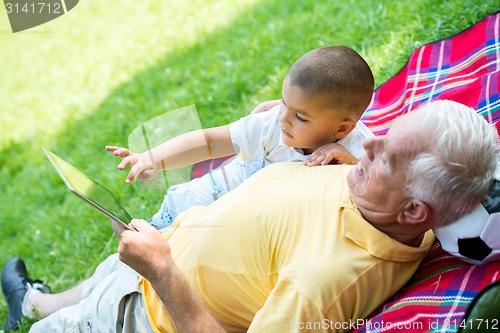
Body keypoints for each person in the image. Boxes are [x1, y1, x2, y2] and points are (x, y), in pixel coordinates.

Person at [2, 100, 497, 332]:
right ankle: (31, 304)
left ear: (414, 210)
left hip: (138, 316)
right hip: (161, 249)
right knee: (90, 285)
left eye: (387, 154)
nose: (371, 144)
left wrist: (162, 268)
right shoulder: (372, 189)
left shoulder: (327, 282)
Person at [106, 45, 375, 229]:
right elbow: (210, 140)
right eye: (283, 103)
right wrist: (155, 158)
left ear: (342, 130)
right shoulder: (272, 125)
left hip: (248, 224)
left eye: (300, 117)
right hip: (211, 198)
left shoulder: (358, 149)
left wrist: (350, 164)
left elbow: (379, 194)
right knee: (158, 232)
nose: (283, 117)